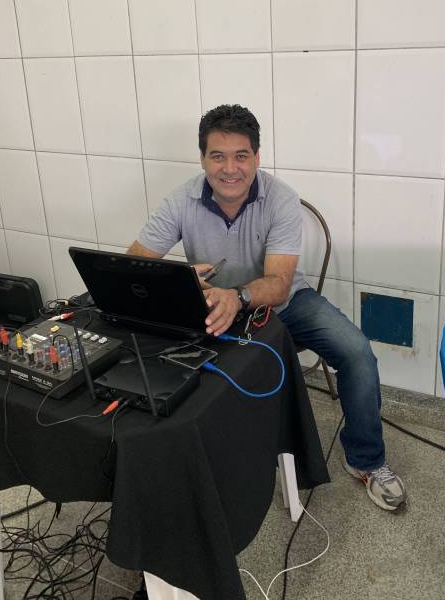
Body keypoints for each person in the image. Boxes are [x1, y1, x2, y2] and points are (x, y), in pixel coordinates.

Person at [127, 104, 406, 511]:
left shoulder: (281, 199)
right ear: (202, 158)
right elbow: (135, 264)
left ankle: (366, 459)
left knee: (357, 352)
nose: (230, 169)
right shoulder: (181, 199)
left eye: (241, 156)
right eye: (218, 156)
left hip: (286, 305)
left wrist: (237, 296)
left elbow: (278, 284)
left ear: (257, 157)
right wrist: (182, 278)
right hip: (212, 309)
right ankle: (198, 468)